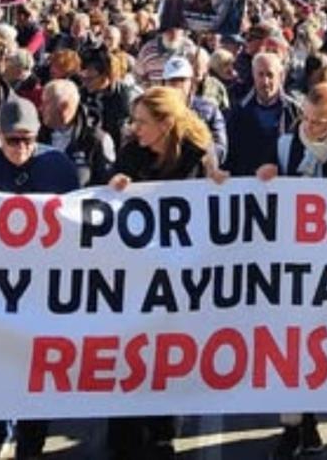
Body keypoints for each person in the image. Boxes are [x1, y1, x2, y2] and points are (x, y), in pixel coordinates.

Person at [106, 87, 226, 460]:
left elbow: (215, 207)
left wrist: (220, 183)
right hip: (136, 278)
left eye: (142, 122)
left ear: (166, 123)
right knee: (129, 354)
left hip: (179, 281)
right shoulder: (130, 152)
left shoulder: (196, 155)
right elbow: (104, 196)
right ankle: (123, 433)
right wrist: (114, 186)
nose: (134, 128)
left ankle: (162, 433)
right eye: (133, 120)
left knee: (167, 356)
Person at [0, 98, 77, 459]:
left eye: (29, 139)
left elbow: (78, 221)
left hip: (43, 286)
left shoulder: (58, 166)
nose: (22, 148)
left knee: (36, 365)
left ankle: (31, 441)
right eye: (13, 140)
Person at [257, 80, 327, 459]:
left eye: (321, 122)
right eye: (307, 118)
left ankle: (308, 419)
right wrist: (265, 178)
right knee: (291, 342)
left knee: (321, 345)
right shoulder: (286, 145)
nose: (312, 127)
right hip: (290, 264)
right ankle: (296, 425)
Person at [224, 53, 301, 176]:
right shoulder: (238, 112)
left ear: (281, 76)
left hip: (283, 187)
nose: (265, 81)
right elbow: (229, 154)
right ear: (253, 75)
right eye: (260, 75)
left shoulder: (295, 111)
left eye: (270, 75)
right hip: (246, 187)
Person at [39, 79, 115, 187]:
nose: (41, 108)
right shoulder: (35, 135)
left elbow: (106, 183)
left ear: (64, 106)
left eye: (46, 103)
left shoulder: (96, 140)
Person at [162, 56, 227, 166]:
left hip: (198, 176)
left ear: (191, 82)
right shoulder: (153, 110)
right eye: (172, 81)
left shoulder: (210, 110)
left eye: (182, 80)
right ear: (164, 83)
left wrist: (198, 156)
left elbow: (220, 149)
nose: (177, 86)